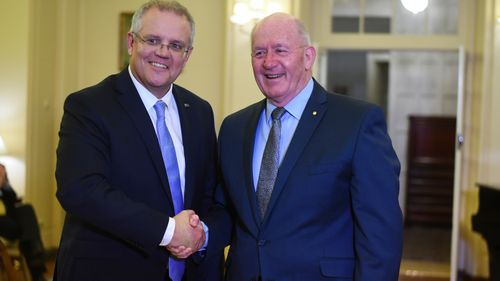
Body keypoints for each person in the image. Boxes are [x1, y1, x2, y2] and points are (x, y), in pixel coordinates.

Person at [202, 13, 403, 280]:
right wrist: (198, 235)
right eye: (259, 52)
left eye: (280, 50)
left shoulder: (356, 123)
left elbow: (380, 235)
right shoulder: (233, 128)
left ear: (308, 57)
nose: (269, 62)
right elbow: (227, 209)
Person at [54, 1, 222, 280]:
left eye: (176, 45)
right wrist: (169, 231)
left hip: (188, 272)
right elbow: (80, 190)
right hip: (108, 271)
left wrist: (199, 232)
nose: (163, 53)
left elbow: (207, 193)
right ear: (131, 42)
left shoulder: (200, 111)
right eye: (153, 40)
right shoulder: (89, 105)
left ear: (187, 55)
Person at [0, 163, 47, 281]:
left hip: (9, 221)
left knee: (26, 208)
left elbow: (12, 201)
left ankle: (31, 245)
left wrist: (4, 182)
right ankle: (38, 275)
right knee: (28, 234)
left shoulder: (4, 186)